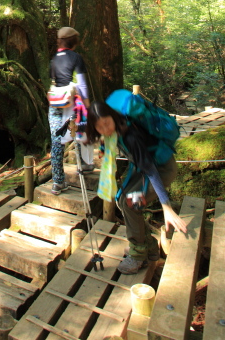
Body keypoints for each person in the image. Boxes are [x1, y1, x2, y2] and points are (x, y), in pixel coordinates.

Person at [86, 99, 187, 274]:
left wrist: (166, 207)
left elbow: (151, 170)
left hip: (160, 170)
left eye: (107, 123)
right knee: (122, 199)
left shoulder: (131, 136)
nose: (105, 129)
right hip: (143, 168)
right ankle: (149, 247)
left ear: (114, 117)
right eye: (99, 127)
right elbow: (103, 137)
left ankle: (138, 254)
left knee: (131, 204)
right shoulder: (113, 131)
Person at [48, 27, 93, 195]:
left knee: (56, 140)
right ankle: (86, 164)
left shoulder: (54, 59)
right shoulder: (76, 57)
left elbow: (53, 81)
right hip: (71, 103)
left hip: (55, 103)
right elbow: (81, 84)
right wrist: (87, 105)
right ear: (74, 42)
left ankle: (58, 181)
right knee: (80, 128)